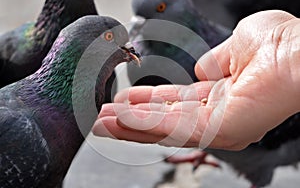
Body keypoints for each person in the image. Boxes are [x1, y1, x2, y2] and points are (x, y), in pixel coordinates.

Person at [92, 10, 300, 151]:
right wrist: (284, 45)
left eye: (161, 7)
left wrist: (284, 48)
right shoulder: (141, 52)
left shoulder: (205, 47)